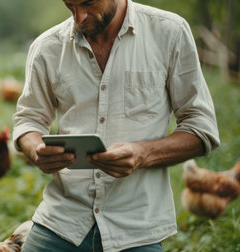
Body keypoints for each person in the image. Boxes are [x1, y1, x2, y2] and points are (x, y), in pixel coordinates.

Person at [12, 0, 220, 251]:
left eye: (87, 3)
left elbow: (201, 128)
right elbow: (28, 119)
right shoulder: (47, 47)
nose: (78, 17)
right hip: (61, 221)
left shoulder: (170, 32)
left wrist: (142, 154)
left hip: (136, 228)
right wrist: (36, 150)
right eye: (70, 6)